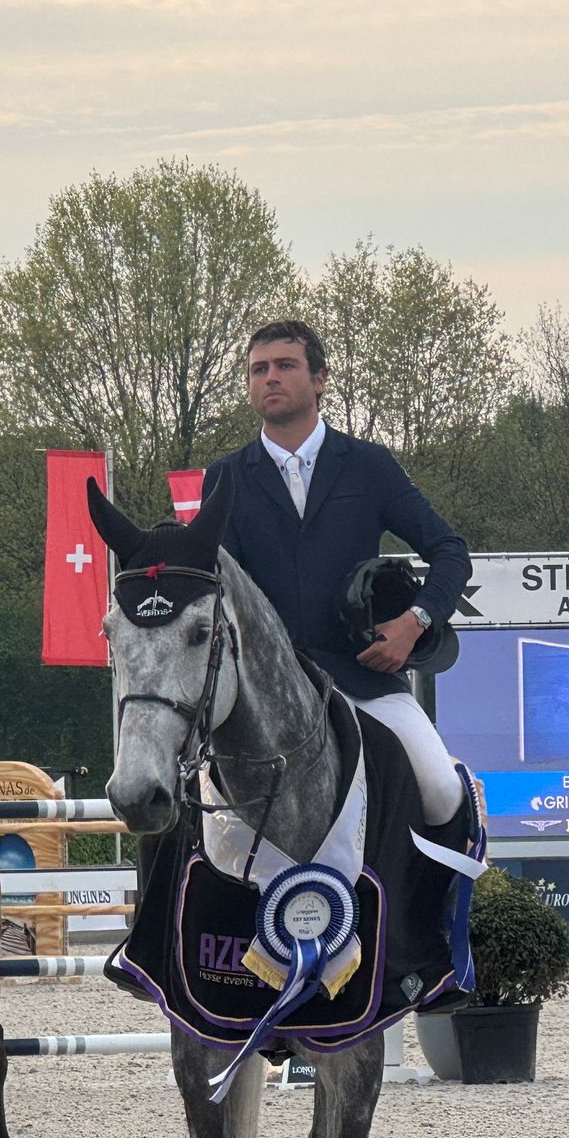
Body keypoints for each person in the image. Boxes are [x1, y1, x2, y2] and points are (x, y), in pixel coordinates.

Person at [202, 318, 473, 834]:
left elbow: (450, 551)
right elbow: (216, 589)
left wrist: (414, 622)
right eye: (258, 369)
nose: (270, 377)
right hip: (264, 694)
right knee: (186, 808)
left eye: (285, 365)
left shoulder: (369, 465)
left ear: (320, 378)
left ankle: (445, 889)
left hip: (365, 677)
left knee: (441, 790)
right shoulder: (225, 477)